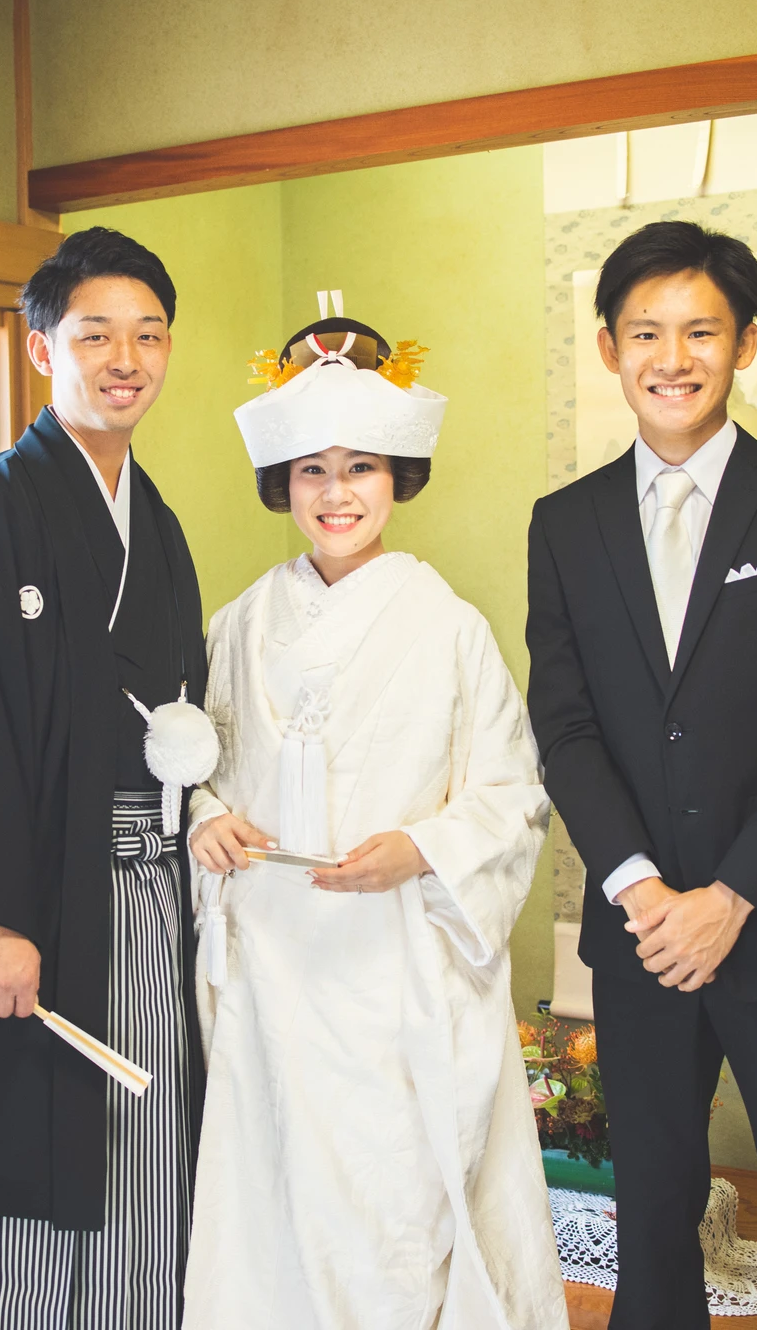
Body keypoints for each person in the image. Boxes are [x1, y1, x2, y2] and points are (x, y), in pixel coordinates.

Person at [525, 220, 757, 1328]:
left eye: (700, 330)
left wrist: (731, 897)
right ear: (608, 348)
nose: (671, 357)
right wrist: (641, 888)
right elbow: (564, 725)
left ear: (744, 343)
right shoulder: (565, 523)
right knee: (648, 1224)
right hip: (640, 940)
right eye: (645, 332)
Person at [181, 307, 567, 1330]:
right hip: (272, 958)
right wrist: (206, 815)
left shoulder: (449, 627)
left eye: (360, 467)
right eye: (311, 470)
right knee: (273, 1193)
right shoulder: (237, 622)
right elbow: (198, 763)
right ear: (284, 484)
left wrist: (421, 847)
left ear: (397, 476)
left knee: (397, 1193)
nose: (336, 493)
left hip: (396, 960)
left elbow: (512, 790)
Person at [0, 227, 206, 1329]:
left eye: (148, 335)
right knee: (23, 1171)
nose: (126, 359)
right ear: (41, 349)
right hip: (32, 901)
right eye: (94, 334)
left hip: (146, 891)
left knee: (142, 1160)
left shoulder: (154, 520)